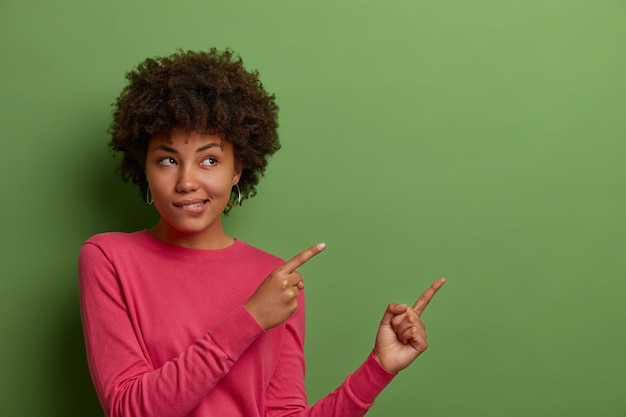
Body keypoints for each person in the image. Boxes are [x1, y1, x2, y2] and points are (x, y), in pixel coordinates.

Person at [78, 48, 445, 417]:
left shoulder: (276, 281)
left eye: (209, 160)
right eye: (168, 160)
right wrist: (250, 318)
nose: (187, 181)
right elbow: (130, 410)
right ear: (144, 166)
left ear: (237, 170)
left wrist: (378, 369)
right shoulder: (108, 258)